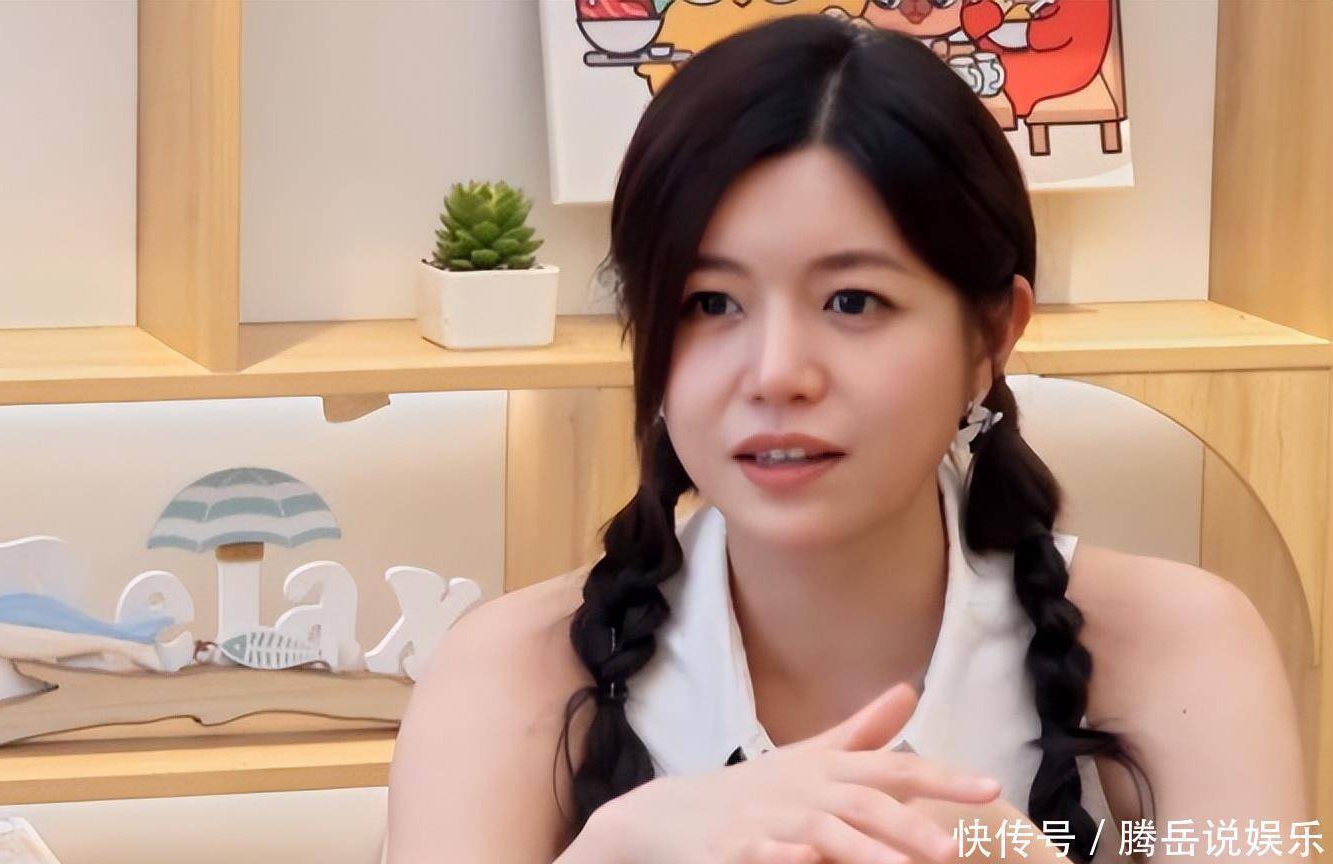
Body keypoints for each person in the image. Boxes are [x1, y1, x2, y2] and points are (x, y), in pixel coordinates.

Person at [386, 14, 1307, 864]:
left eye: (853, 301)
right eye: (711, 303)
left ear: (991, 337)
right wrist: (615, 850)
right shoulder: (508, 670)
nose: (776, 372)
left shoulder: (1184, 646)